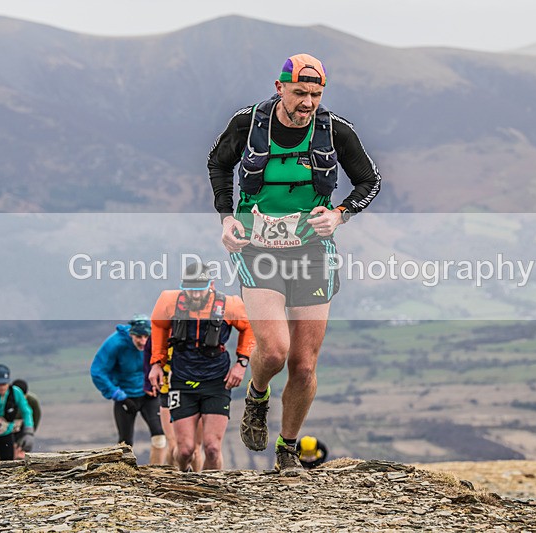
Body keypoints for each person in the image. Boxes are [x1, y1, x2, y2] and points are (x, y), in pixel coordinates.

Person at [207, 53, 381, 473]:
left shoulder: (334, 130)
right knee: (275, 352)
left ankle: (287, 450)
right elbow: (218, 163)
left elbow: (369, 180)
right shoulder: (247, 124)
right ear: (279, 87)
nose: (308, 103)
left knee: (304, 364)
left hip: (312, 253)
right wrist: (227, 216)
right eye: (300, 93)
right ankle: (257, 394)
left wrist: (340, 214)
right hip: (258, 249)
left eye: (316, 95)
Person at [148, 261, 256, 472]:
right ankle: (184, 477)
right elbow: (158, 328)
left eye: (200, 290)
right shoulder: (169, 302)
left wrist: (242, 363)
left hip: (216, 381)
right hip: (182, 380)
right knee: (185, 450)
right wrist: (156, 364)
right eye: (190, 290)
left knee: (212, 448)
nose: (195, 296)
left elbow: (250, 326)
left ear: (211, 285)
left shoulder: (229, 305)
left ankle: (212, 491)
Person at [91, 314, 166, 464]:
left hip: (149, 395)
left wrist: (159, 384)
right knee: (125, 442)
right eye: (139, 337)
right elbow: (98, 371)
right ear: (131, 334)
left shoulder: (156, 341)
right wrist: (117, 394)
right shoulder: (116, 343)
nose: (143, 341)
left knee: (159, 435)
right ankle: (124, 473)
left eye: (146, 336)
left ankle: (157, 471)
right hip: (125, 397)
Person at [143, 338, 204, 471]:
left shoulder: (196, 331)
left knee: (196, 448)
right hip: (168, 393)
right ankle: (172, 479)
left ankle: (197, 482)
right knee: (172, 445)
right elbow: (148, 354)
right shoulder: (159, 332)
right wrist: (148, 383)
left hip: (194, 393)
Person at [11, 379, 41, 460]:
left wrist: (27, 437)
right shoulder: (5, 400)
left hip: (23, 428)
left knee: (21, 454)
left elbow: (35, 420)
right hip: (5, 428)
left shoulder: (32, 401)